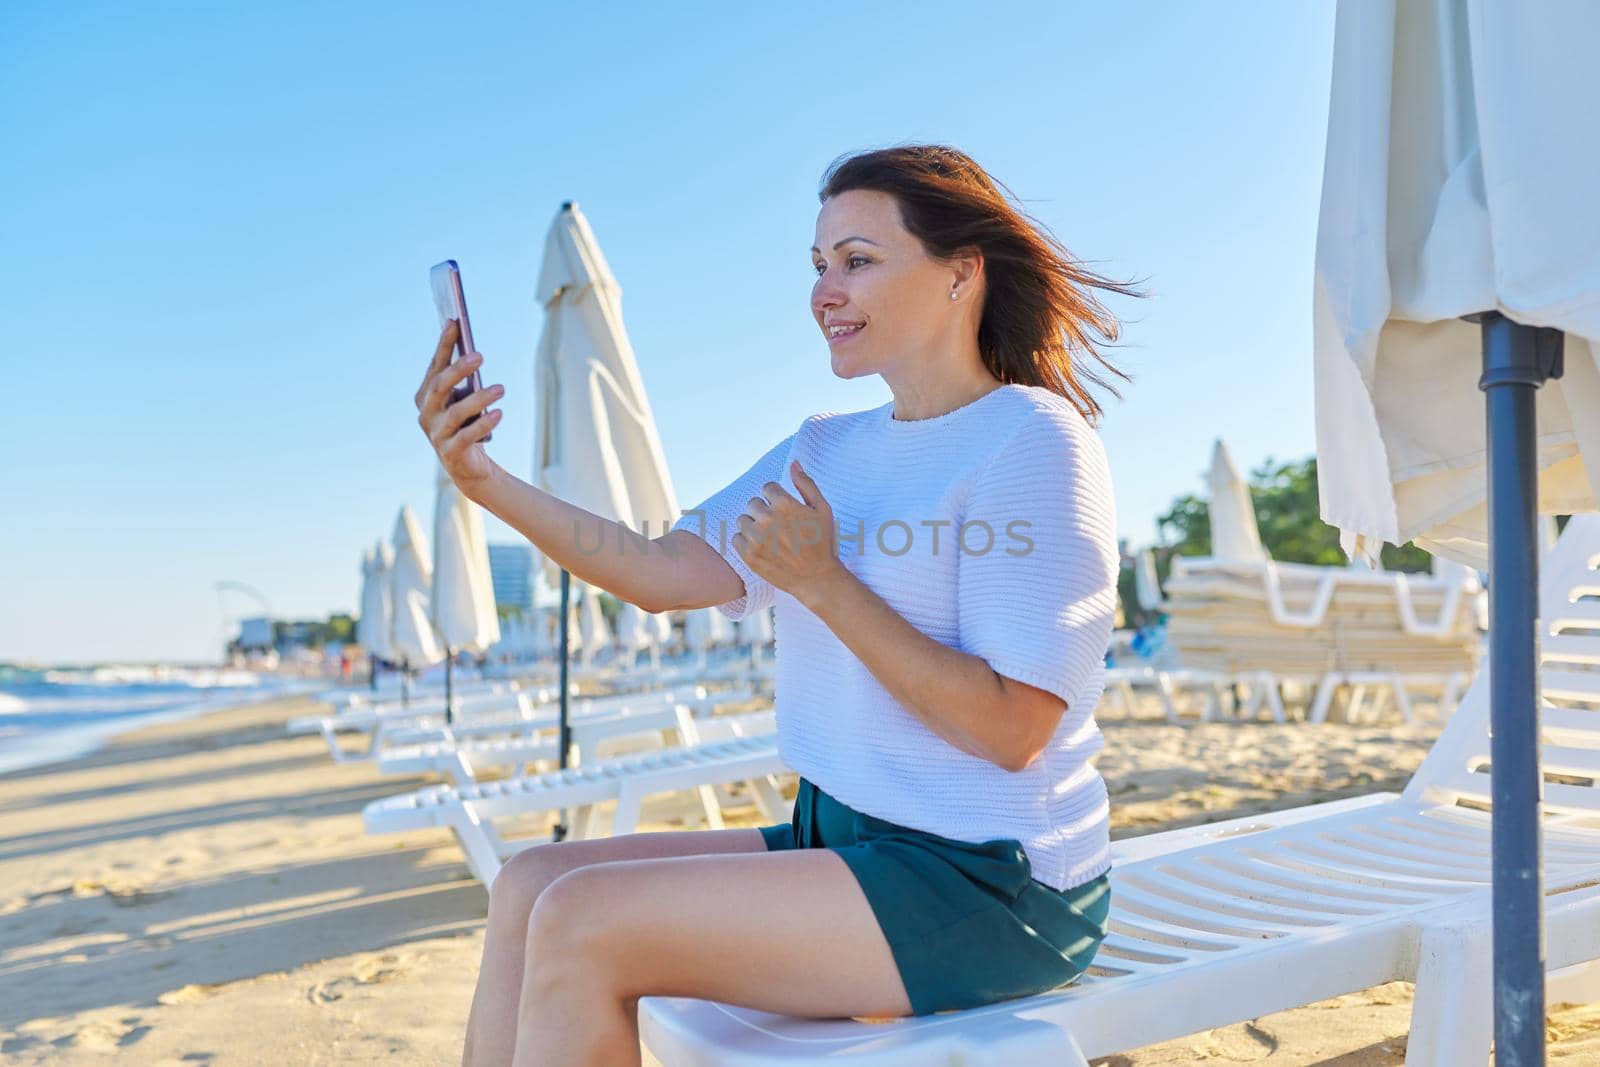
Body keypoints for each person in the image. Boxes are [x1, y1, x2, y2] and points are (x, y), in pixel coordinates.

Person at [415, 143, 1136, 1067]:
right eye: (818, 264)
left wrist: (824, 583)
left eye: (858, 261)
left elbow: (1014, 730)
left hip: (990, 880)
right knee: (530, 882)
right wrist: (484, 482)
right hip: (834, 836)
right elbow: (657, 569)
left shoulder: (1033, 441)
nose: (824, 291)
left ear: (963, 273)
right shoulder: (825, 447)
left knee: (586, 922)